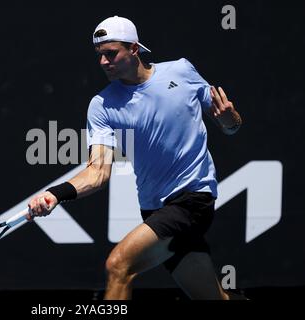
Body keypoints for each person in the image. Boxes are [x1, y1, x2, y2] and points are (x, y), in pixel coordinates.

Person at [28, 16, 242, 300]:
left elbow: (231, 125)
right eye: (99, 55)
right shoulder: (102, 106)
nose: (104, 62)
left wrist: (229, 120)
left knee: (118, 265)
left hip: (193, 199)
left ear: (134, 49)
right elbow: (97, 173)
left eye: (111, 53)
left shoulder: (181, 71)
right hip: (153, 209)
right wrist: (56, 194)